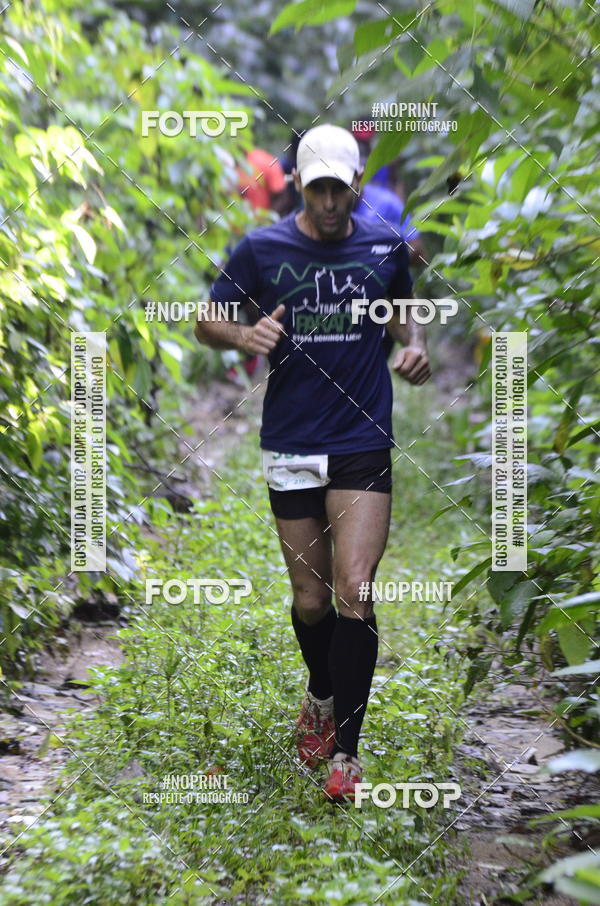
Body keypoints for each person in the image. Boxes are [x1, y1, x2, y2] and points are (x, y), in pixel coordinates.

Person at [194, 124, 431, 802]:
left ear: (357, 185)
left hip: (362, 434)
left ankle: (347, 758)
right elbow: (207, 320)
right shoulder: (263, 247)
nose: (330, 201)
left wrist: (411, 347)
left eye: (340, 188)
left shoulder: (384, 244)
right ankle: (321, 695)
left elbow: (402, 313)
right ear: (299, 183)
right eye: (317, 186)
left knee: (356, 589)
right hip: (292, 437)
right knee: (311, 597)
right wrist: (245, 331)